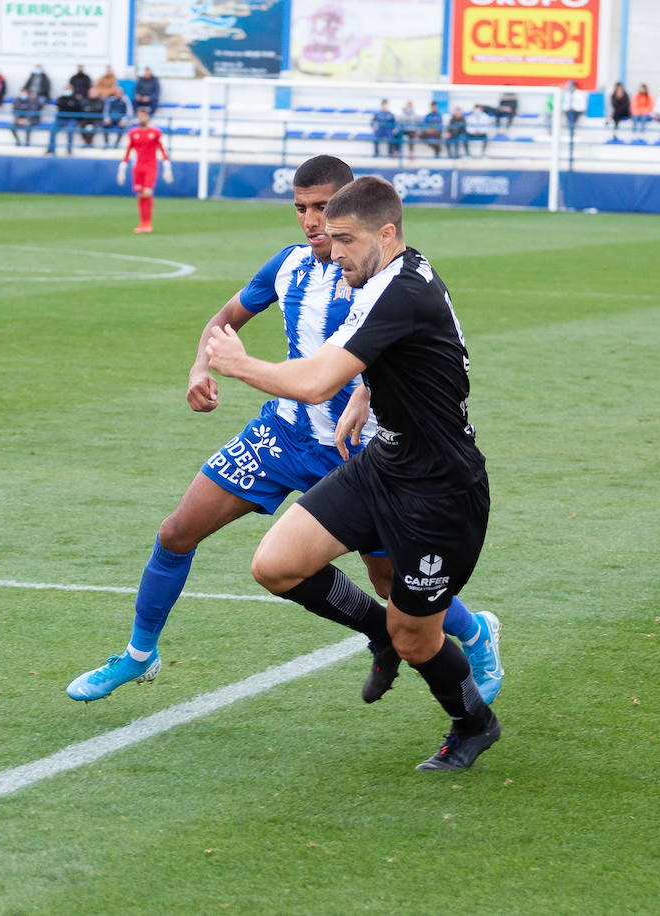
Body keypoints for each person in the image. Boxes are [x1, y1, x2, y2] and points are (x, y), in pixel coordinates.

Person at [67, 157, 502, 712]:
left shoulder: (375, 276)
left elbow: (407, 355)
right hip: (283, 433)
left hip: (359, 452)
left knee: (392, 583)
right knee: (177, 531)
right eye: (301, 208)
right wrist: (200, 366)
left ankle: (473, 632)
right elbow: (224, 319)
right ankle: (139, 653)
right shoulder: (289, 266)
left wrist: (363, 395)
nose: (312, 220)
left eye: (324, 208)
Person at [204, 175, 501, 771]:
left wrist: (238, 364)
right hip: (383, 464)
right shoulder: (387, 273)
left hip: (440, 493)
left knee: (420, 637)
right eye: (328, 236)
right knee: (276, 566)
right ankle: (380, 633)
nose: (331, 250)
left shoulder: (400, 293)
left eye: (344, 238)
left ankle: (473, 722)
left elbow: (315, 381)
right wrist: (370, 387)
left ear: (385, 233)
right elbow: (383, 353)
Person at [117, 107, 171, 232]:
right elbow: (128, 151)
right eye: (139, 115)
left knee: (147, 192)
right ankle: (142, 223)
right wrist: (122, 169)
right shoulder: (133, 133)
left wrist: (167, 168)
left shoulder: (155, 133)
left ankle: (148, 223)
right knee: (140, 194)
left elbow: (162, 149)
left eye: (144, 116)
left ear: (148, 117)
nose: (142, 118)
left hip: (151, 166)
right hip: (138, 167)